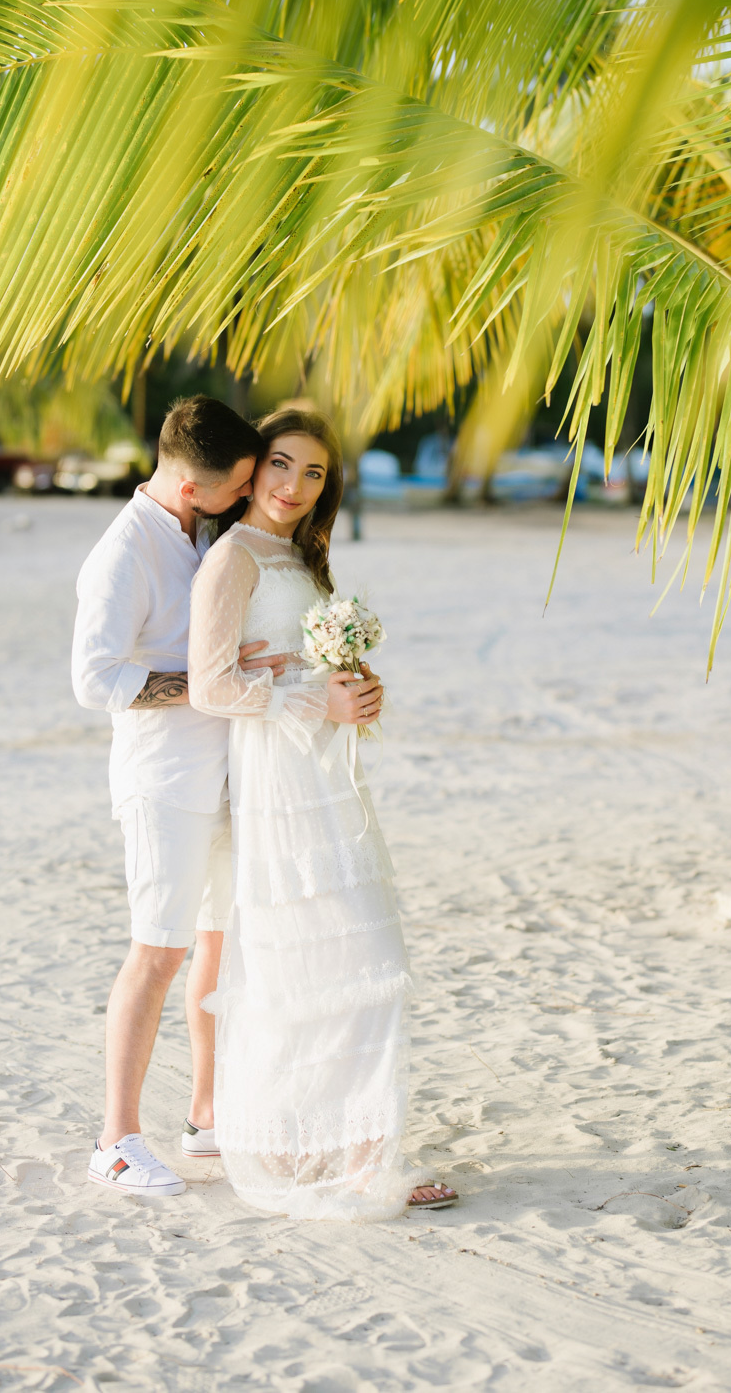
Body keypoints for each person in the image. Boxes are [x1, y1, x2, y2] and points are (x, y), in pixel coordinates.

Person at [71, 396, 382, 1197]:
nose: (255, 491)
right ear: (193, 487)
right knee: (158, 949)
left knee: (215, 943)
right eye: (242, 481)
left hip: (231, 774)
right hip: (164, 780)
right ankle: (114, 1138)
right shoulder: (122, 554)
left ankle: (206, 1114)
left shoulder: (195, 532)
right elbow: (93, 680)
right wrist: (207, 685)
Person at [188, 406, 458, 1217]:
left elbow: (309, 666)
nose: (294, 486)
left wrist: (358, 689)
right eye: (280, 465)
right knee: (311, 955)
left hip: (324, 774)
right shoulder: (232, 558)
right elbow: (210, 687)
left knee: (360, 958)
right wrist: (310, 697)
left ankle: (362, 1151)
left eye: (312, 473)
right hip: (277, 778)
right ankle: (331, 1157)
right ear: (250, 468)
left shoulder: (301, 555)